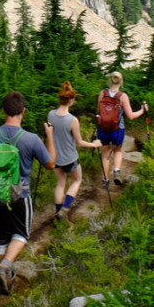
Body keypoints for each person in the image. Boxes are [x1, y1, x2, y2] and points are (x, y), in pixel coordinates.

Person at [0, 91, 56, 296]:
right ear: (23, 111)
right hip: (20, 196)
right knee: (20, 234)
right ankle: (4, 268)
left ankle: (6, 273)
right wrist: (50, 138)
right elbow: (50, 164)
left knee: (0, 239)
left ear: (3, 111)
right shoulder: (31, 139)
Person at [48, 81, 102, 222]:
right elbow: (79, 142)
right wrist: (94, 144)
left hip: (55, 157)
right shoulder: (72, 120)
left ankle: (58, 213)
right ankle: (65, 209)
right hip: (70, 158)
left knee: (60, 183)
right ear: (71, 100)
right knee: (77, 180)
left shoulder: (51, 115)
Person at [96, 71, 148, 187]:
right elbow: (130, 116)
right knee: (118, 150)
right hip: (117, 129)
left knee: (105, 154)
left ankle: (105, 180)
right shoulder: (122, 96)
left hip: (103, 129)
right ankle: (116, 171)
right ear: (121, 82)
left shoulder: (102, 93)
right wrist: (143, 110)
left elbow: (99, 112)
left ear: (110, 80)